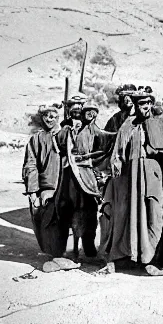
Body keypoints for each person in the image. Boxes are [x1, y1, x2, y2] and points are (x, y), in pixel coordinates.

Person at [104, 89, 163, 275]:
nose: (146, 107)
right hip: (130, 178)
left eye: (149, 103)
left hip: (152, 176)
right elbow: (117, 153)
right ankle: (123, 257)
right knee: (127, 216)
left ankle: (150, 259)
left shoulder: (159, 123)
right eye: (142, 104)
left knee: (154, 214)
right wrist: (116, 165)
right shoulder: (128, 125)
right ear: (136, 105)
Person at [54, 100, 109, 259]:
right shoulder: (66, 129)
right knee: (67, 208)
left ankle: (88, 245)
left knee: (88, 209)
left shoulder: (93, 130)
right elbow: (59, 144)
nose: (78, 113)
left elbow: (106, 143)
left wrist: (91, 159)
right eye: (74, 109)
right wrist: (68, 130)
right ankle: (70, 247)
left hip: (86, 175)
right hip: (69, 175)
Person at [22, 104, 68, 257]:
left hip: (63, 187)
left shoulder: (64, 136)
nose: (50, 119)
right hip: (45, 188)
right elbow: (30, 165)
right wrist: (33, 191)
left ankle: (61, 253)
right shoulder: (36, 139)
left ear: (58, 118)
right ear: (42, 117)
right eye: (47, 116)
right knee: (42, 221)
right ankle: (51, 252)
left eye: (54, 116)